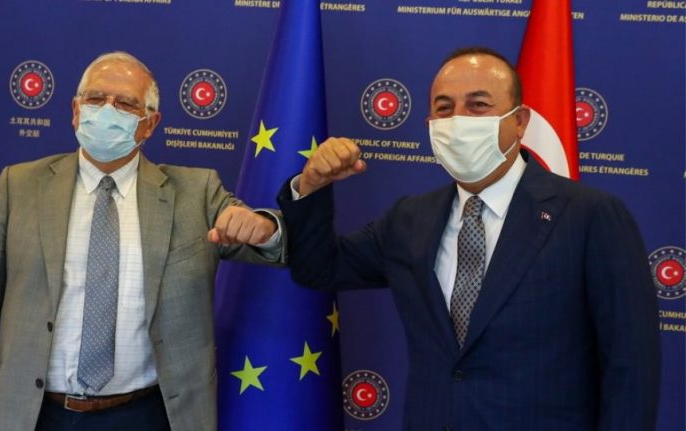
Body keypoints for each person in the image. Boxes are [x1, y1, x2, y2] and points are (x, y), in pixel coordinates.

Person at [277, 47, 660, 430]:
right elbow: (318, 268)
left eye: (478, 105)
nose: (458, 120)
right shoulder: (410, 219)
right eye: (444, 108)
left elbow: (631, 366)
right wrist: (310, 186)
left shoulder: (589, 215)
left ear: (519, 122)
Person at [0, 51, 284, 431]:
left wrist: (265, 227)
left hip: (146, 416)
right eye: (96, 98)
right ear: (75, 110)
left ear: (150, 124)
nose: (107, 111)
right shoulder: (19, 186)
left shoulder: (197, 193)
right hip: (30, 415)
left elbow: (274, 245)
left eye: (126, 103)